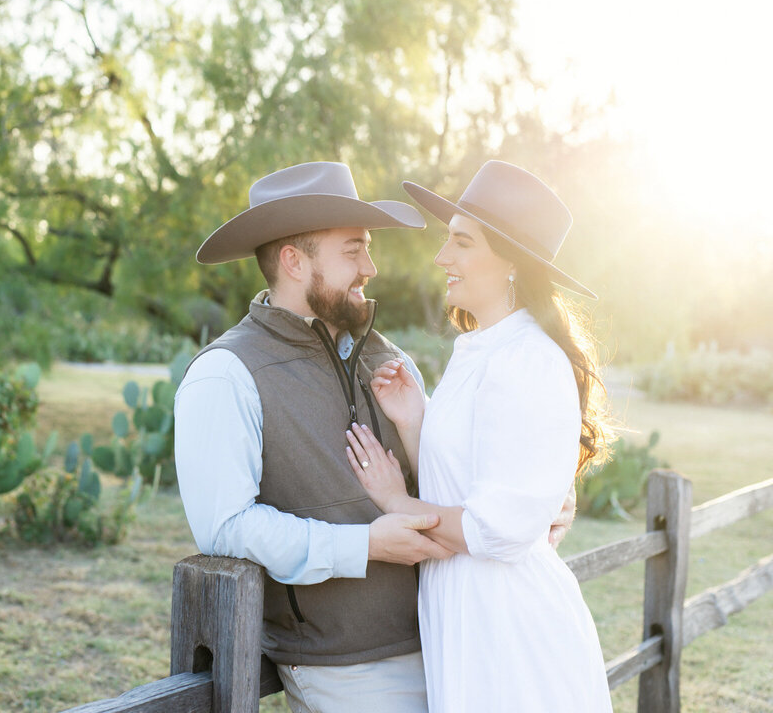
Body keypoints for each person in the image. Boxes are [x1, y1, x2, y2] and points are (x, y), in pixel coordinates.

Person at [174, 161, 573, 713]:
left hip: (450, 640)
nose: (372, 267)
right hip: (346, 665)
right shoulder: (226, 374)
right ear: (293, 260)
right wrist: (363, 546)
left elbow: (466, 470)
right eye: (353, 249)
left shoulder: (388, 357)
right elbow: (226, 526)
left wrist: (543, 493)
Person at [344, 160, 613, 712]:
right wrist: (415, 421)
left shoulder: (529, 360)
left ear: (511, 261)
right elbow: (465, 489)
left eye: (462, 243)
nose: (443, 257)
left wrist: (397, 502)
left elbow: (497, 528)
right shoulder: (480, 350)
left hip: (509, 626)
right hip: (465, 609)